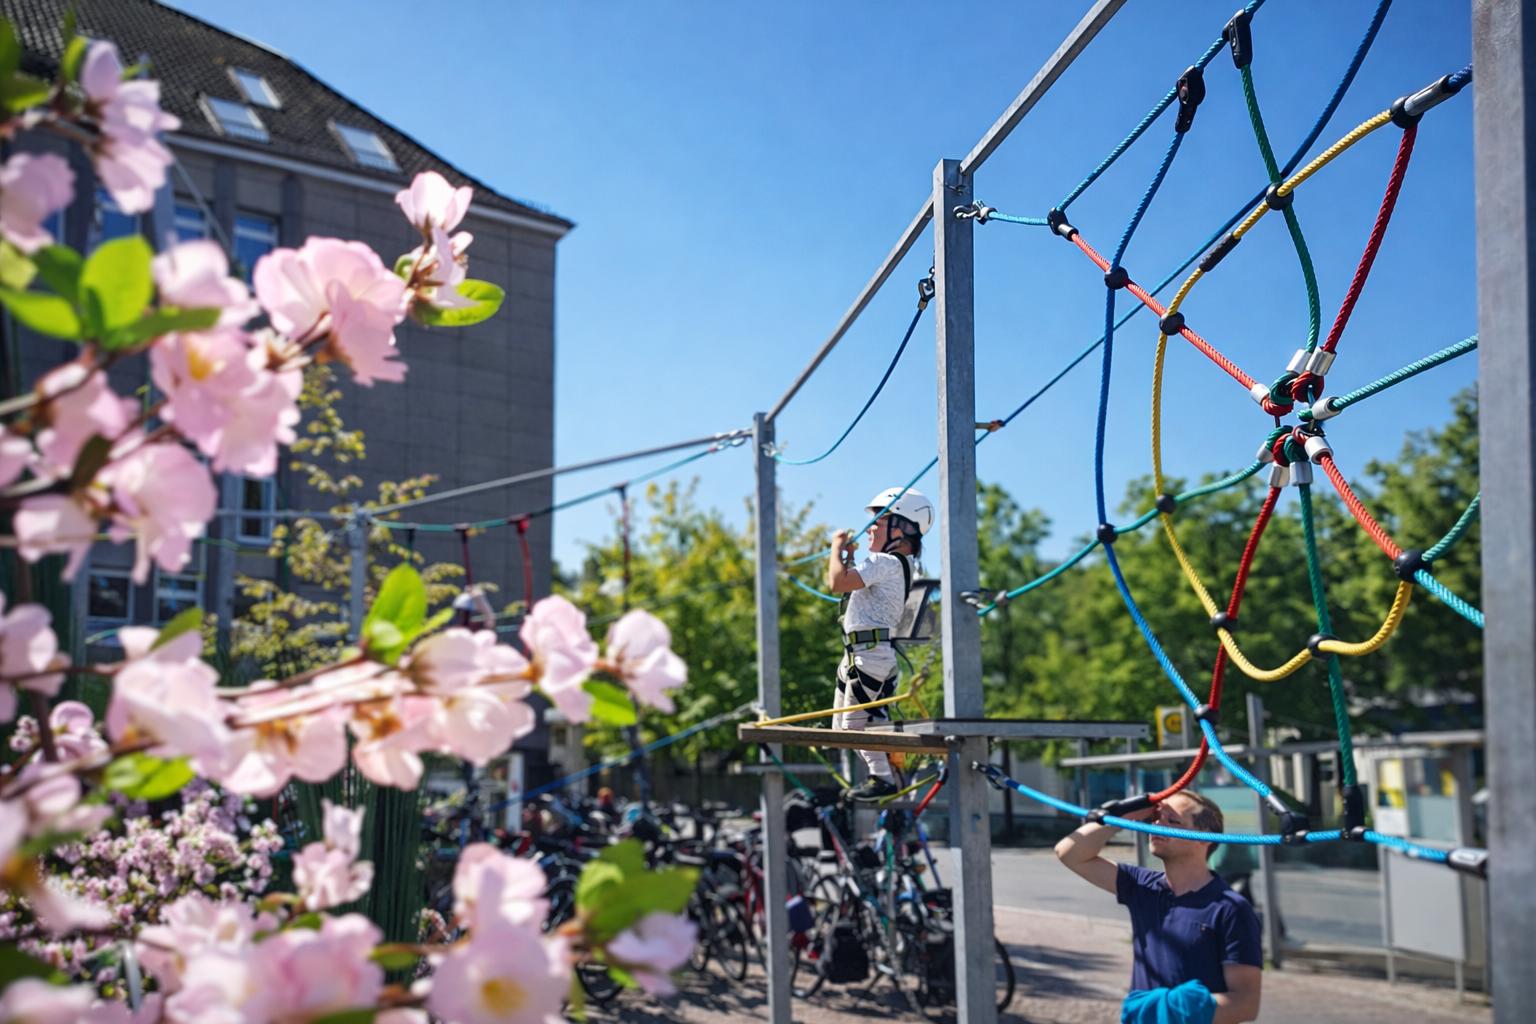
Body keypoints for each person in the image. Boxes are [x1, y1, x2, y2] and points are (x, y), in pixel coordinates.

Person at [1054, 791, 1262, 1024]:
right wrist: (1124, 814)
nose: (1157, 826)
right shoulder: (1142, 886)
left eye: (1172, 821)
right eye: (1155, 818)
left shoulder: (1231, 909)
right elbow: (1069, 853)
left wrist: (1165, 1012)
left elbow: (1245, 1004)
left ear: (1204, 838)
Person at [823, 487, 933, 802]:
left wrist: (835, 548)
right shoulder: (893, 564)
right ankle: (891, 769)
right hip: (864, 654)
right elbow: (859, 586)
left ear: (903, 530)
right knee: (843, 729)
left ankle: (883, 777)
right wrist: (852, 558)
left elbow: (837, 583)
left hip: (868, 656)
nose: (871, 527)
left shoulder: (886, 561)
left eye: (880, 520)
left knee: (852, 727)